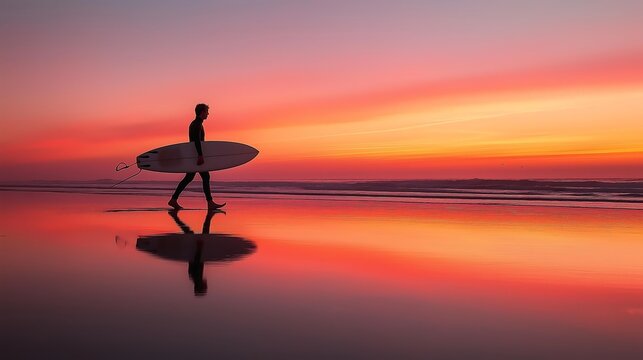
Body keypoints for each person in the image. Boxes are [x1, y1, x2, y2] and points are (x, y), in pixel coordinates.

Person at [168, 103, 225, 210]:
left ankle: (173, 199)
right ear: (202, 112)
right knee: (205, 177)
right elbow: (196, 141)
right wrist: (200, 155)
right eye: (207, 111)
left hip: (193, 156)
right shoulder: (197, 124)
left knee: (189, 178)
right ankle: (210, 202)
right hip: (195, 156)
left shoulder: (196, 123)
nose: (208, 114)